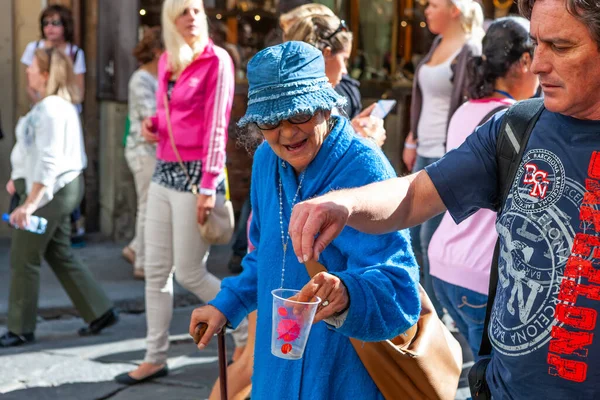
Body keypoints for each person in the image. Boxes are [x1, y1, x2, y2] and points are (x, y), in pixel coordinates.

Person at [288, 0, 600, 396]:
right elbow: (416, 192)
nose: (538, 64)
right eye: (536, 43)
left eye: (560, 46)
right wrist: (343, 204)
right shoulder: (518, 126)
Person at [188, 41, 421, 399]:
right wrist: (227, 303)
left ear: (325, 106)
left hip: (340, 373)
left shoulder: (364, 167)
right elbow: (263, 256)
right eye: (269, 121)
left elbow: (400, 289)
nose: (286, 133)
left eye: (299, 114)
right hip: (276, 368)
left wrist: (346, 293)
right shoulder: (266, 159)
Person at [114, 0, 247, 385]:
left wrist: (209, 186)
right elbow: (166, 112)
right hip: (163, 172)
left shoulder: (217, 60)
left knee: (190, 272)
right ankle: (154, 356)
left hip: (195, 179)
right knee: (155, 271)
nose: (191, 18)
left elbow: (217, 128)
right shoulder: (167, 62)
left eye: (196, 10)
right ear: (171, 21)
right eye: (182, 12)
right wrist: (153, 124)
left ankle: (244, 333)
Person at [427, 16, 539, 359]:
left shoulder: (466, 109)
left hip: (442, 263)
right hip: (480, 274)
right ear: (523, 62)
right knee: (491, 380)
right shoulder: (518, 119)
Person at [0, 48, 117, 348]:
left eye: (33, 68)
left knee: (24, 257)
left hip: (49, 191)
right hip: (53, 188)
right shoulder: (52, 106)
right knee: (58, 252)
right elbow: (35, 153)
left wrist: (30, 203)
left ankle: (20, 328)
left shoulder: (51, 108)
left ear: (47, 74)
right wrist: (18, 178)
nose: (27, 71)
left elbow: (50, 161)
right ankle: (99, 310)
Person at [403, 0, 484, 318]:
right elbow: (423, 98)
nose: (425, 9)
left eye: (433, 4)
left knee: (429, 238)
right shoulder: (437, 43)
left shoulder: (471, 48)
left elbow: (472, 106)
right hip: (425, 149)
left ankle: (434, 318)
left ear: (455, 10)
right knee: (412, 234)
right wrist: (412, 137)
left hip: (447, 155)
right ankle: (418, 309)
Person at [284, 7, 387, 146]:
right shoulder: (305, 106)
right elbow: (323, 160)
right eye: (344, 59)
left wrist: (350, 129)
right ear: (326, 54)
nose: (345, 70)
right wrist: (371, 142)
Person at [122, 27, 164, 279]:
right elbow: (152, 117)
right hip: (143, 150)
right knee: (147, 206)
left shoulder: (157, 78)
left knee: (149, 204)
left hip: (153, 151)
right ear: (158, 52)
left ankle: (134, 248)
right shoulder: (141, 79)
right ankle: (142, 262)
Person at [21, 5, 85, 107]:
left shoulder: (75, 52)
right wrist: (42, 106)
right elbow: (29, 86)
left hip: (66, 107)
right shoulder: (33, 48)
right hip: (40, 107)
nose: (49, 27)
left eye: (55, 23)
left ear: (66, 25)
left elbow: (79, 89)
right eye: (45, 23)